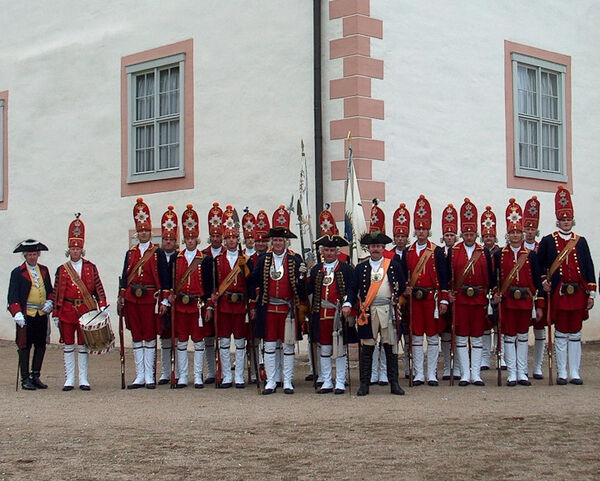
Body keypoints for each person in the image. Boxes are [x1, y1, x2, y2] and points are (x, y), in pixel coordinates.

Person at [343, 201, 406, 396]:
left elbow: (401, 287)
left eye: (379, 246)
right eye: (373, 246)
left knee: (390, 348)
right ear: (368, 248)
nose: (376, 249)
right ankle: (364, 384)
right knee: (367, 348)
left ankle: (394, 383)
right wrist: (347, 303)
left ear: (383, 247)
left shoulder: (393, 265)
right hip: (368, 312)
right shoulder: (361, 268)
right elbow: (353, 289)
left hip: (387, 310)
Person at [537, 185, 596, 385]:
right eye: (563, 220)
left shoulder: (581, 242)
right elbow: (538, 264)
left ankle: (574, 372)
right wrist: (544, 281)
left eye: (568, 219)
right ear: (558, 221)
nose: (566, 222)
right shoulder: (547, 240)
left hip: (578, 293)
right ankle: (562, 372)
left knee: (575, 333)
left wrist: (591, 294)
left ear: (572, 220)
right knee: (561, 333)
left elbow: (588, 267)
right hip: (560, 294)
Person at [249, 205, 308, 395]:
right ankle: (271, 381)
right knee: (270, 345)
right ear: (271, 242)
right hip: (268, 308)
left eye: (281, 240)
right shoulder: (264, 259)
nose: (278, 243)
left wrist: (302, 277)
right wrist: (245, 270)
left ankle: (288, 380)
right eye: (275, 240)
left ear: (286, 242)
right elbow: (253, 281)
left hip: (287, 309)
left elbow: (302, 287)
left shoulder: (295, 259)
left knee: (288, 345)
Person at [118, 197, 170, 389]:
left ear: (151, 232)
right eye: (141, 231)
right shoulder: (130, 253)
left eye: (147, 230)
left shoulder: (157, 253)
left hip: (150, 299)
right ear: (137, 233)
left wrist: (165, 301)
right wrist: (121, 297)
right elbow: (125, 277)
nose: (144, 233)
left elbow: (165, 280)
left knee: (149, 336)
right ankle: (139, 375)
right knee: (137, 336)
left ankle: (150, 375)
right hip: (133, 299)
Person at [52, 214, 107, 391]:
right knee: (68, 344)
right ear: (69, 250)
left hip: (85, 310)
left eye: (78, 249)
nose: (75, 251)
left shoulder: (91, 267)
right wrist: (55, 312)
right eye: (72, 249)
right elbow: (56, 292)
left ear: (82, 250)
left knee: (83, 345)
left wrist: (103, 303)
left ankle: (83, 378)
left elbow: (98, 286)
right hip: (67, 310)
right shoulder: (62, 269)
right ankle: (69, 379)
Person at [492, 199, 544, 386]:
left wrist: (539, 305)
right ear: (508, 234)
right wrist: (496, 294)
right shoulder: (499, 255)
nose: (515, 235)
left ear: (523, 234)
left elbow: (538, 283)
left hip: (525, 301)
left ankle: (522, 372)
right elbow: (494, 280)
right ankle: (511, 373)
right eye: (512, 232)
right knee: (509, 336)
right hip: (507, 302)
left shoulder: (531, 255)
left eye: (518, 232)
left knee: (523, 336)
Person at [308, 207, 357, 394]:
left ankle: (341, 381)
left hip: (338, 314)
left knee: (340, 349)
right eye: (326, 250)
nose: (329, 253)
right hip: (321, 314)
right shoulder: (316, 270)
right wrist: (303, 276)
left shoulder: (346, 269)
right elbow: (310, 290)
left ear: (337, 251)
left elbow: (352, 289)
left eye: (332, 250)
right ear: (322, 251)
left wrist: (347, 305)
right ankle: (327, 380)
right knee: (325, 348)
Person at [401, 195, 449, 386]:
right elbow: (405, 275)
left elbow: (444, 277)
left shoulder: (436, 251)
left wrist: (444, 299)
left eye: (424, 228)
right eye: (418, 228)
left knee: (433, 335)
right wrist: (406, 289)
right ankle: (419, 373)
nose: (421, 232)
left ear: (428, 230)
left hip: (431, 298)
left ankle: (431, 373)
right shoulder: (408, 252)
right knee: (416, 336)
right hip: (415, 300)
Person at [448, 199, 493, 386]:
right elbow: (449, 275)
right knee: (461, 336)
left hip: (478, 299)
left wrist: (490, 296)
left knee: (476, 336)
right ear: (462, 234)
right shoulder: (454, 251)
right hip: (460, 299)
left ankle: (476, 374)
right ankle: (465, 373)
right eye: (466, 233)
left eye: (472, 233)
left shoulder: (484, 252)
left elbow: (490, 276)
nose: (468, 237)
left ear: (476, 234)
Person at [209, 205, 253, 388]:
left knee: (241, 341)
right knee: (225, 341)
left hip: (240, 304)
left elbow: (250, 284)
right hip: (225, 304)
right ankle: (227, 375)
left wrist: (245, 268)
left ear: (238, 239)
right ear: (225, 241)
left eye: (234, 237)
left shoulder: (246, 260)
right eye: (228, 238)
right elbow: (214, 284)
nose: (231, 241)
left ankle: (240, 376)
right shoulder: (217, 260)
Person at [172, 204, 214, 388]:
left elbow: (208, 285)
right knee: (181, 341)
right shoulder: (176, 258)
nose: (190, 241)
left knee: (198, 341)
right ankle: (183, 376)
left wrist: (209, 306)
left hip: (197, 306)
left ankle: (197, 375)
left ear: (197, 240)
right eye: (187, 238)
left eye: (192, 238)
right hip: (181, 305)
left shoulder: (204, 259)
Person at [8, 239, 54, 390]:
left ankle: (36, 375)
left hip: (41, 313)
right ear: (25, 256)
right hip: (26, 314)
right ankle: (25, 378)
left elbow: (50, 291)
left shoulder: (44, 270)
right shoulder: (18, 272)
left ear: (38, 255)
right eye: (29, 255)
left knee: (40, 345)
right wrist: (17, 313)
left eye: (35, 254)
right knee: (24, 346)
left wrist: (50, 302)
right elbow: (12, 296)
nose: (32, 257)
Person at [199, 202, 224, 384]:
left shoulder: (229, 253)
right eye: (213, 235)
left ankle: (223, 369)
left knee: (223, 335)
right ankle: (210, 370)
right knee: (208, 335)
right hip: (207, 298)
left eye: (218, 235)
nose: (216, 238)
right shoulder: (203, 255)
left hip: (224, 300)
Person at [523, 195, 546, 379]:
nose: (530, 232)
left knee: (539, 331)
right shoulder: (516, 248)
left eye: (532, 228)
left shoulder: (542, 247)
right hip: (521, 295)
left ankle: (537, 366)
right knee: (518, 332)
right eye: (527, 228)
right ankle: (520, 367)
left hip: (537, 293)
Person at [440, 203, 461, 380]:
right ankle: (447, 366)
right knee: (445, 332)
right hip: (444, 297)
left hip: (459, 297)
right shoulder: (439, 253)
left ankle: (461, 367)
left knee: (460, 332)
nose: (449, 238)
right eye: (446, 235)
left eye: (452, 235)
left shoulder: (461, 252)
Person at [158, 206, 179, 385]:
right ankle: (165, 371)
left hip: (176, 300)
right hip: (159, 302)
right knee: (164, 337)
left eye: (171, 239)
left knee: (177, 337)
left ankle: (178, 371)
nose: (168, 242)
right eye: (165, 239)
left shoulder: (179, 257)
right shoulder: (156, 256)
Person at [480, 206, 501, 371]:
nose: (488, 239)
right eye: (486, 236)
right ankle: (484, 358)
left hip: (497, 291)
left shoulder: (500, 252)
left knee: (499, 325)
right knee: (485, 326)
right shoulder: (479, 253)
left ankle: (501, 356)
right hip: (483, 292)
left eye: (491, 236)